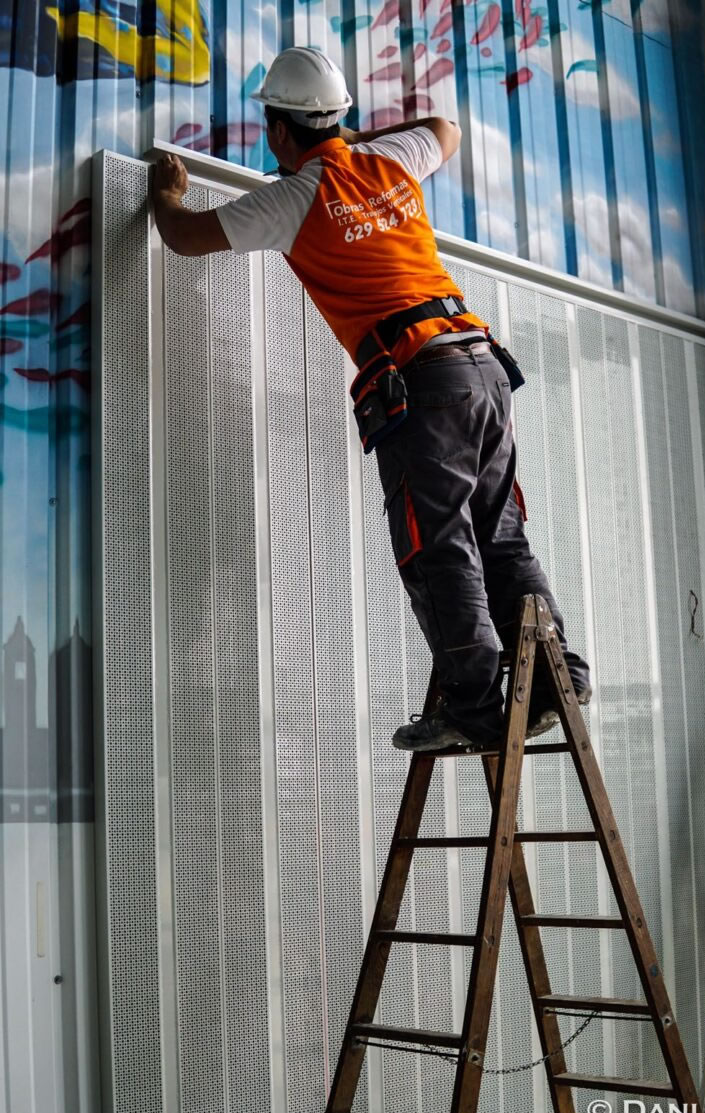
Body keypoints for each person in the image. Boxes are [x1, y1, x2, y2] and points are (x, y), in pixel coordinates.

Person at [151, 45, 591, 753]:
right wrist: (356, 140)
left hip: (424, 384)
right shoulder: (393, 161)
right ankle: (556, 676)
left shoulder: (293, 196)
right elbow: (444, 126)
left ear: (280, 131)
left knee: (438, 544)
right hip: (483, 366)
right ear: (340, 118)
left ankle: (476, 707)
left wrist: (166, 190)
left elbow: (184, 237)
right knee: (499, 533)